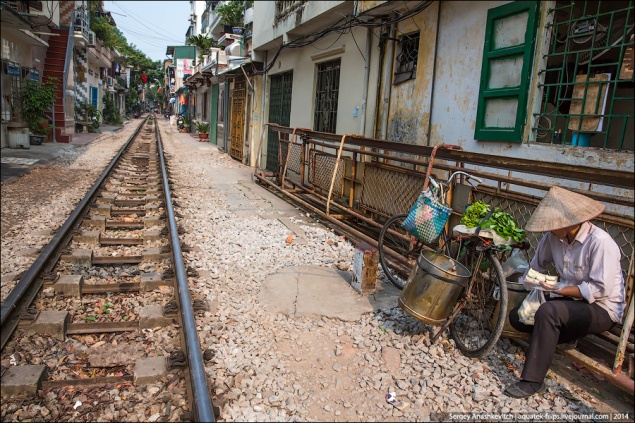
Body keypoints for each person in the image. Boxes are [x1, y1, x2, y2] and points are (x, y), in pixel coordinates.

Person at [504, 186, 625, 398]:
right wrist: (531, 280)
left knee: (548, 313)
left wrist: (559, 288)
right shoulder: (554, 238)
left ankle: (532, 381)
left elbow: (599, 289)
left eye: (552, 225)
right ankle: (554, 340)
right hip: (569, 299)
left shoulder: (600, 242)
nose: (548, 229)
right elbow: (537, 265)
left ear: (569, 224)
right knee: (518, 317)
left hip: (602, 308)